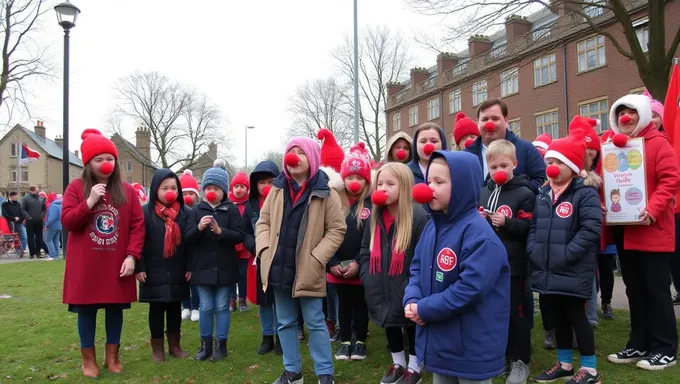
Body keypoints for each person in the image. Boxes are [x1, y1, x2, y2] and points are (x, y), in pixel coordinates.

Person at [405, 150, 510, 384]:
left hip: (470, 349)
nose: (429, 187)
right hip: (440, 344)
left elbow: (469, 289)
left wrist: (425, 309)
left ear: (462, 186)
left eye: (439, 182)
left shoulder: (480, 236)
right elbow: (417, 268)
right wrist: (412, 298)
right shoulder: (432, 228)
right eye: (428, 181)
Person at [256, 137, 347, 384]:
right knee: (285, 323)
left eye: (300, 152)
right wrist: (265, 249)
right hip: (278, 266)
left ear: (313, 158)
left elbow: (337, 229)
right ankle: (293, 372)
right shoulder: (276, 189)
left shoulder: (326, 191)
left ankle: (324, 373)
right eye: (290, 152)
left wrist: (317, 257)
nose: (293, 157)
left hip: (308, 269)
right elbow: (262, 223)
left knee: (315, 322)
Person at [61, 129, 145, 378]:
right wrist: (88, 202)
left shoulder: (127, 191)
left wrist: (132, 256)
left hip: (116, 262)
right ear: (88, 163)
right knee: (86, 311)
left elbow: (137, 227)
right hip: (86, 264)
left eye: (110, 158)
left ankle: (113, 357)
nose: (105, 164)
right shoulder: (76, 188)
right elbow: (68, 221)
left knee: (114, 309)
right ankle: (89, 361)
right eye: (99, 159)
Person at [605, 94, 680, 370]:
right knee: (635, 290)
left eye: (631, 112)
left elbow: (671, 179)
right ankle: (638, 343)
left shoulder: (659, 143)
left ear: (643, 115)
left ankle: (665, 349)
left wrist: (653, 207)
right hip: (625, 230)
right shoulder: (613, 146)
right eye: (621, 112)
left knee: (656, 291)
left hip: (652, 229)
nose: (626, 118)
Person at [528, 128, 603, 384]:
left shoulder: (585, 194)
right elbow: (535, 227)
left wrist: (566, 254)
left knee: (576, 318)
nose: (551, 167)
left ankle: (591, 370)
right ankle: (564, 364)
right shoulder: (543, 194)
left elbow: (591, 229)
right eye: (548, 161)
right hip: (548, 269)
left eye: (558, 162)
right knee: (557, 317)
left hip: (572, 269)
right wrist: (533, 250)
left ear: (572, 166)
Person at [358, 162, 428, 384]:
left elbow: (423, 257)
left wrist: (411, 285)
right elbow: (363, 252)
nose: (383, 188)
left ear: (405, 186)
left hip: (407, 285)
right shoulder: (374, 218)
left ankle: (415, 366)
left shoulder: (418, 217)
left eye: (390, 183)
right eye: (380, 184)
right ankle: (398, 363)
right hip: (379, 284)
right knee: (389, 323)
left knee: (411, 326)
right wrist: (368, 277)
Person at [478, 140, 534, 384]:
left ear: (515, 164)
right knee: (492, 313)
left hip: (514, 266)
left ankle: (521, 360)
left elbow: (530, 226)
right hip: (487, 266)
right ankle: (500, 356)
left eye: (503, 165)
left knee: (516, 314)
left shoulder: (525, 193)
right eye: (493, 166)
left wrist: (507, 223)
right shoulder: (484, 191)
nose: (498, 170)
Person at [186, 160, 246, 362]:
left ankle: (221, 345)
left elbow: (239, 235)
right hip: (201, 268)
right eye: (209, 188)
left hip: (225, 268)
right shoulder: (196, 211)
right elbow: (187, 238)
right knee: (205, 306)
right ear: (203, 190)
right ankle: (205, 346)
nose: (212, 192)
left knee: (221, 306)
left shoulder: (231, 210)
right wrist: (199, 229)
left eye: (216, 188)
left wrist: (221, 232)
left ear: (224, 191)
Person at [136, 169, 191, 362]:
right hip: (153, 269)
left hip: (178, 268)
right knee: (156, 310)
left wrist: (190, 266)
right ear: (155, 189)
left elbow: (191, 243)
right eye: (165, 188)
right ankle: (157, 348)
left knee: (175, 308)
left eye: (174, 188)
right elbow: (138, 241)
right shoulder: (145, 213)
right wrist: (140, 266)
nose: (170, 191)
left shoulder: (185, 213)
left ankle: (175, 346)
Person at [328, 142, 372, 362]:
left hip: (361, 265)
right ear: (343, 179)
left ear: (366, 180)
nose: (354, 182)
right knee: (343, 304)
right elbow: (325, 233)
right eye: (350, 178)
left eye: (359, 178)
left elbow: (372, 237)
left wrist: (357, 262)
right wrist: (332, 262)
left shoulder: (372, 204)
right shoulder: (334, 201)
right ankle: (345, 341)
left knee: (361, 304)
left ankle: (361, 342)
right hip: (337, 267)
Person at [466, 99, 546, 193]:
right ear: (478, 123)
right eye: (485, 119)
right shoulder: (467, 156)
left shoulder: (527, 149)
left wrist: (518, 193)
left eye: (495, 119)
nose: (489, 124)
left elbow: (541, 180)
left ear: (506, 120)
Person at [246, 160, 282, 355]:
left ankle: (281, 338)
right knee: (264, 300)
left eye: (270, 181)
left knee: (279, 300)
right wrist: (254, 246)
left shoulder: (284, 202)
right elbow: (244, 232)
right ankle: (267, 336)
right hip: (258, 260)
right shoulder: (251, 207)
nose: (266, 186)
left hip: (278, 259)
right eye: (261, 182)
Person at [228, 172, 253, 313]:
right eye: (236, 186)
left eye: (242, 186)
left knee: (242, 274)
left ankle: (242, 298)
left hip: (244, 246)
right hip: (230, 245)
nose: (239, 189)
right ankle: (232, 299)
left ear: (247, 188)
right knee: (231, 274)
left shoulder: (249, 204)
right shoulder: (227, 203)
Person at [178, 169, 201, 321]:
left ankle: (196, 306)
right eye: (184, 194)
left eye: (191, 194)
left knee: (195, 281)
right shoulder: (177, 211)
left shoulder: (199, 210)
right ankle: (185, 305)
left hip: (195, 251)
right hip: (180, 251)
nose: (187, 197)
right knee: (182, 281)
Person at [21, 185, 46, 259]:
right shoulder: (26, 198)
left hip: (39, 221)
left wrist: (42, 215)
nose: (36, 191)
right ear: (31, 191)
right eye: (35, 190)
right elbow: (23, 209)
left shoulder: (41, 198)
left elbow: (44, 209)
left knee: (39, 237)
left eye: (37, 190)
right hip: (30, 221)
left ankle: (38, 253)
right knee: (30, 238)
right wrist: (29, 217)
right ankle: (32, 253)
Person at [44, 194, 63, 260]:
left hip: (52, 226)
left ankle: (52, 255)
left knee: (48, 240)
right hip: (59, 225)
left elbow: (51, 218)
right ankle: (56, 254)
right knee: (56, 240)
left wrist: (47, 225)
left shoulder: (53, 206)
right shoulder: (60, 205)